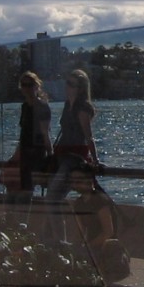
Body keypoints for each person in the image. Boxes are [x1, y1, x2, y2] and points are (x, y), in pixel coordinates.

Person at [67, 161, 129, 283]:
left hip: (106, 247)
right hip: (91, 245)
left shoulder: (100, 201)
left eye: (79, 180)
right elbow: (80, 232)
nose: (75, 184)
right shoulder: (79, 203)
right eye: (73, 180)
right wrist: (74, 246)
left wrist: (88, 246)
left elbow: (108, 232)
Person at [45, 68, 100, 204]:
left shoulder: (83, 108)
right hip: (61, 154)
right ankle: (59, 218)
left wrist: (95, 159)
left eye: (71, 84)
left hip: (74, 156)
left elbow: (88, 136)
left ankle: (58, 218)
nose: (67, 87)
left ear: (80, 89)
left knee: (52, 195)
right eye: (67, 83)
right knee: (53, 196)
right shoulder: (67, 104)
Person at [13, 71, 52, 198]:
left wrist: (50, 155)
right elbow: (23, 132)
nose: (27, 89)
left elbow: (45, 133)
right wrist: (16, 154)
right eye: (24, 85)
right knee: (24, 188)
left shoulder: (42, 106)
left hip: (37, 152)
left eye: (30, 85)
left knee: (30, 188)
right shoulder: (24, 106)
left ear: (36, 86)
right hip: (25, 152)